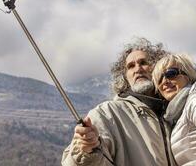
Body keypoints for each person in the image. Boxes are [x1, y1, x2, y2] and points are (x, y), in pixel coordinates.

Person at [61, 38, 177, 166]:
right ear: (125, 77)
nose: (137, 69)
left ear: (159, 68)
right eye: (130, 66)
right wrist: (85, 150)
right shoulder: (107, 113)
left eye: (144, 62)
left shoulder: (175, 111)